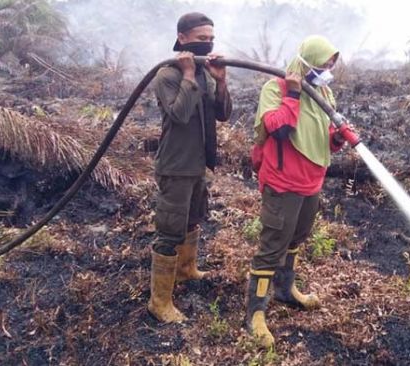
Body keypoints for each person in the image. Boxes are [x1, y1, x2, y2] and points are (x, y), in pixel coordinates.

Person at [245, 35, 359, 347]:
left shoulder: (324, 93)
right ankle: (254, 313)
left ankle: (286, 290)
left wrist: (338, 138)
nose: (328, 69)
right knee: (273, 243)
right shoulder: (276, 89)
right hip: (283, 181)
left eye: (332, 64)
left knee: (296, 237)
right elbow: (279, 129)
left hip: (311, 181)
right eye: (324, 64)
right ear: (307, 61)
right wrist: (293, 95)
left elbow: (324, 139)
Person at [148, 12, 232, 323]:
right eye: (201, 39)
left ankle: (186, 270)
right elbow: (180, 115)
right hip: (176, 166)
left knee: (192, 220)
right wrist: (186, 74)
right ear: (182, 38)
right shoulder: (167, 75)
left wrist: (220, 80)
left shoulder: (204, 73)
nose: (207, 44)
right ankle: (159, 302)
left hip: (198, 164)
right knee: (170, 231)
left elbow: (223, 114)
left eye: (210, 39)